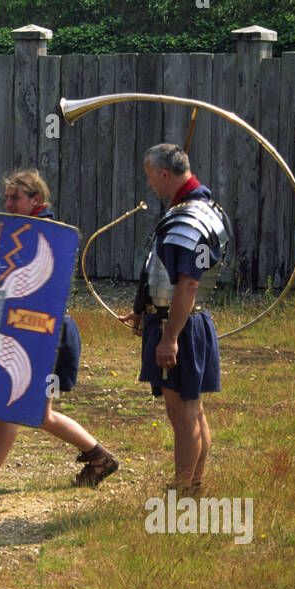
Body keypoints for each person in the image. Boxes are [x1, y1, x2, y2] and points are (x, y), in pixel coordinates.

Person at [0, 169, 118, 507]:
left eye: (15, 197)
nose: (8, 204)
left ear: (37, 200)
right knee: (38, 413)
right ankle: (100, 458)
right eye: (6, 197)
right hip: (33, 336)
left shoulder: (45, 237)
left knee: (14, 406)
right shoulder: (14, 235)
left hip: (49, 339)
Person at [120, 144, 228, 497]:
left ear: (164, 174)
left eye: (151, 177)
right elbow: (162, 271)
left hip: (179, 324)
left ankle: (184, 492)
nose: (149, 184)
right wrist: (142, 308)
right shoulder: (196, 208)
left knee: (183, 414)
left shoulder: (189, 217)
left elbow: (189, 283)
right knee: (191, 411)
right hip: (182, 321)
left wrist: (170, 338)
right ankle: (192, 486)